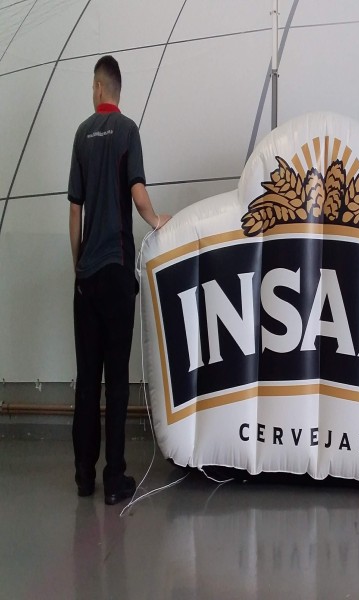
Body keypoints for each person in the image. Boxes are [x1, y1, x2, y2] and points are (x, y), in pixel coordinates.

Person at [68, 55, 171, 505]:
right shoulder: (128, 130)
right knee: (116, 380)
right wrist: (157, 220)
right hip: (116, 274)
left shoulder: (81, 134)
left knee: (87, 378)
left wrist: (77, 266)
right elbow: (137, 192)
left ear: (97, 88)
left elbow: (75, 210)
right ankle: (114, 480)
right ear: (116, 90)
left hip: (88, 277)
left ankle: (82, 475)